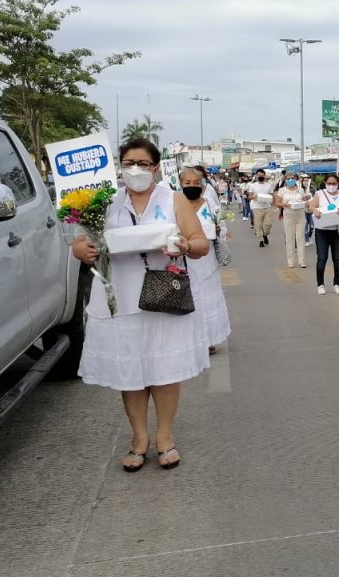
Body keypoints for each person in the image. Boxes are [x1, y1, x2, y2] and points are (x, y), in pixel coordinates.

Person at [72, 138, 212, 472]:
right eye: (129, 163)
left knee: (165, 371)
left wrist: (185, 246)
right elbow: (79, 242)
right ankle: (139, 438)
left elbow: (201, 243)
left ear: (156, 167)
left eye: (143, 164)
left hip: (163, 297)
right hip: (118, 298)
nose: (135, 170)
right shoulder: (103, 202)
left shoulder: (173, 199)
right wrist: (82, 251)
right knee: (131, 374)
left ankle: (164, 436)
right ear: (119, 166)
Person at [179, 168, 232, 354]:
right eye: (187, 183)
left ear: (202, 185)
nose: (192, 186)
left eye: (196, 183)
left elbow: (223, 228)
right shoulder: (175, 205)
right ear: (180, 184)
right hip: (183, 260)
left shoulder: (210, 205)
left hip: (207, 260)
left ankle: (208, 340)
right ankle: (190, 340)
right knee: (189, 297)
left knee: (207, 299)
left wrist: (218, 230)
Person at [309, 174, 339, 294]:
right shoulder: (320, 193)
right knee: (322, 258)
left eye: (334, 183)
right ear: (325, 183)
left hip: (336, 230)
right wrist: (315, 210)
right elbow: (311, 206)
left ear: (338, 184)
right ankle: (320, 285)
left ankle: (337, 284)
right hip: (322, 230)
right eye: (329, 183)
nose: (331, 186)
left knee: (337, 258)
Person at [278, 172, 310, 268]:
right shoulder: (282, 190)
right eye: (288, 178)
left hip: (300, 214)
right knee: (289, 238)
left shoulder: (300, 190)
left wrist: (306, 201)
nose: (290, 180)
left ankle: (302, 261)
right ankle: (290, 261)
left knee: (300, 238)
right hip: (288, 215)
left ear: (296, 179)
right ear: (285, 180)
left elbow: (305, 200)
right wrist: (284, 204)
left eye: (292, 178)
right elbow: (277, 203)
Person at [249, 169, 276, 247]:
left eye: (262, 175)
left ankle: (265, 234)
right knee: (258, 224)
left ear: (264, 176)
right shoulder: (253, 185)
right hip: (257, 207)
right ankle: (260, 240)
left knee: (268, 224)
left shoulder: (269, 185)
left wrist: (273, 204)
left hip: (267, 207)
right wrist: (254, 197)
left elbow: (273, 196)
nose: (260, 176)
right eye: (259, 175)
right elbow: (249, 196)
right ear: (256, 176)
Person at [300, 172, 315, 247]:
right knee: (305, 225)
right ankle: (306, 240)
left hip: (310, 210)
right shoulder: (300, 189)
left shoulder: (312, 189)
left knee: (312, 226)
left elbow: (314, 198)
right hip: (303, 210)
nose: (306, 182)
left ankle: (309, 236)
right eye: (304, 180)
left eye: (307, 180)